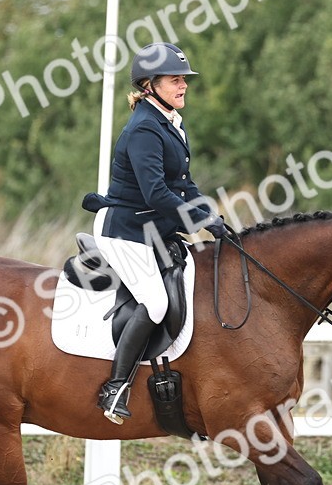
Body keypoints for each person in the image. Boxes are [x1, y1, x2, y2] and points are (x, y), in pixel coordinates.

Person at [82, 42, 227, 424]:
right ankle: (115, 387)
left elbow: (184, 184)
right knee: (156, 302)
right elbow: (156, 193)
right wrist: (198, 222)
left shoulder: (170, 121)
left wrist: (211, 216)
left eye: (184, 79)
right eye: (175, 80)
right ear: (149, 85)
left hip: (152, 228)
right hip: (125, 230)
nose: (183, 86)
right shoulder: (145, 128)